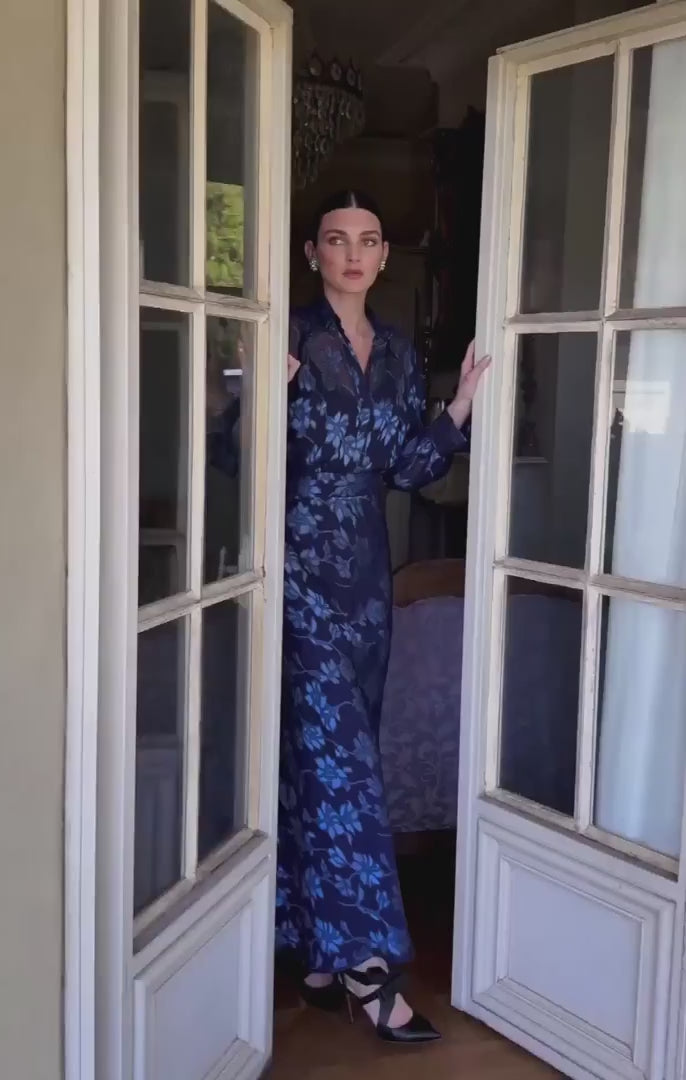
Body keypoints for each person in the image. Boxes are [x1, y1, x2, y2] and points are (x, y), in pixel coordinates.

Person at [275, 190, 490, 1043]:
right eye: (337, 240)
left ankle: (315, 954)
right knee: (345, 774)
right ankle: (369, 967)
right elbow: (227, 453)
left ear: (384, 256)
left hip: (367, 583)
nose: (353, 253)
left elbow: (404, 468)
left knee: (325, 763)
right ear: (313, 253)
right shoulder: (286, 336)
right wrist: (259, 401)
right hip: (298, 576)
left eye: (367, 241)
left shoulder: (398, 352)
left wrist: (458, 407)